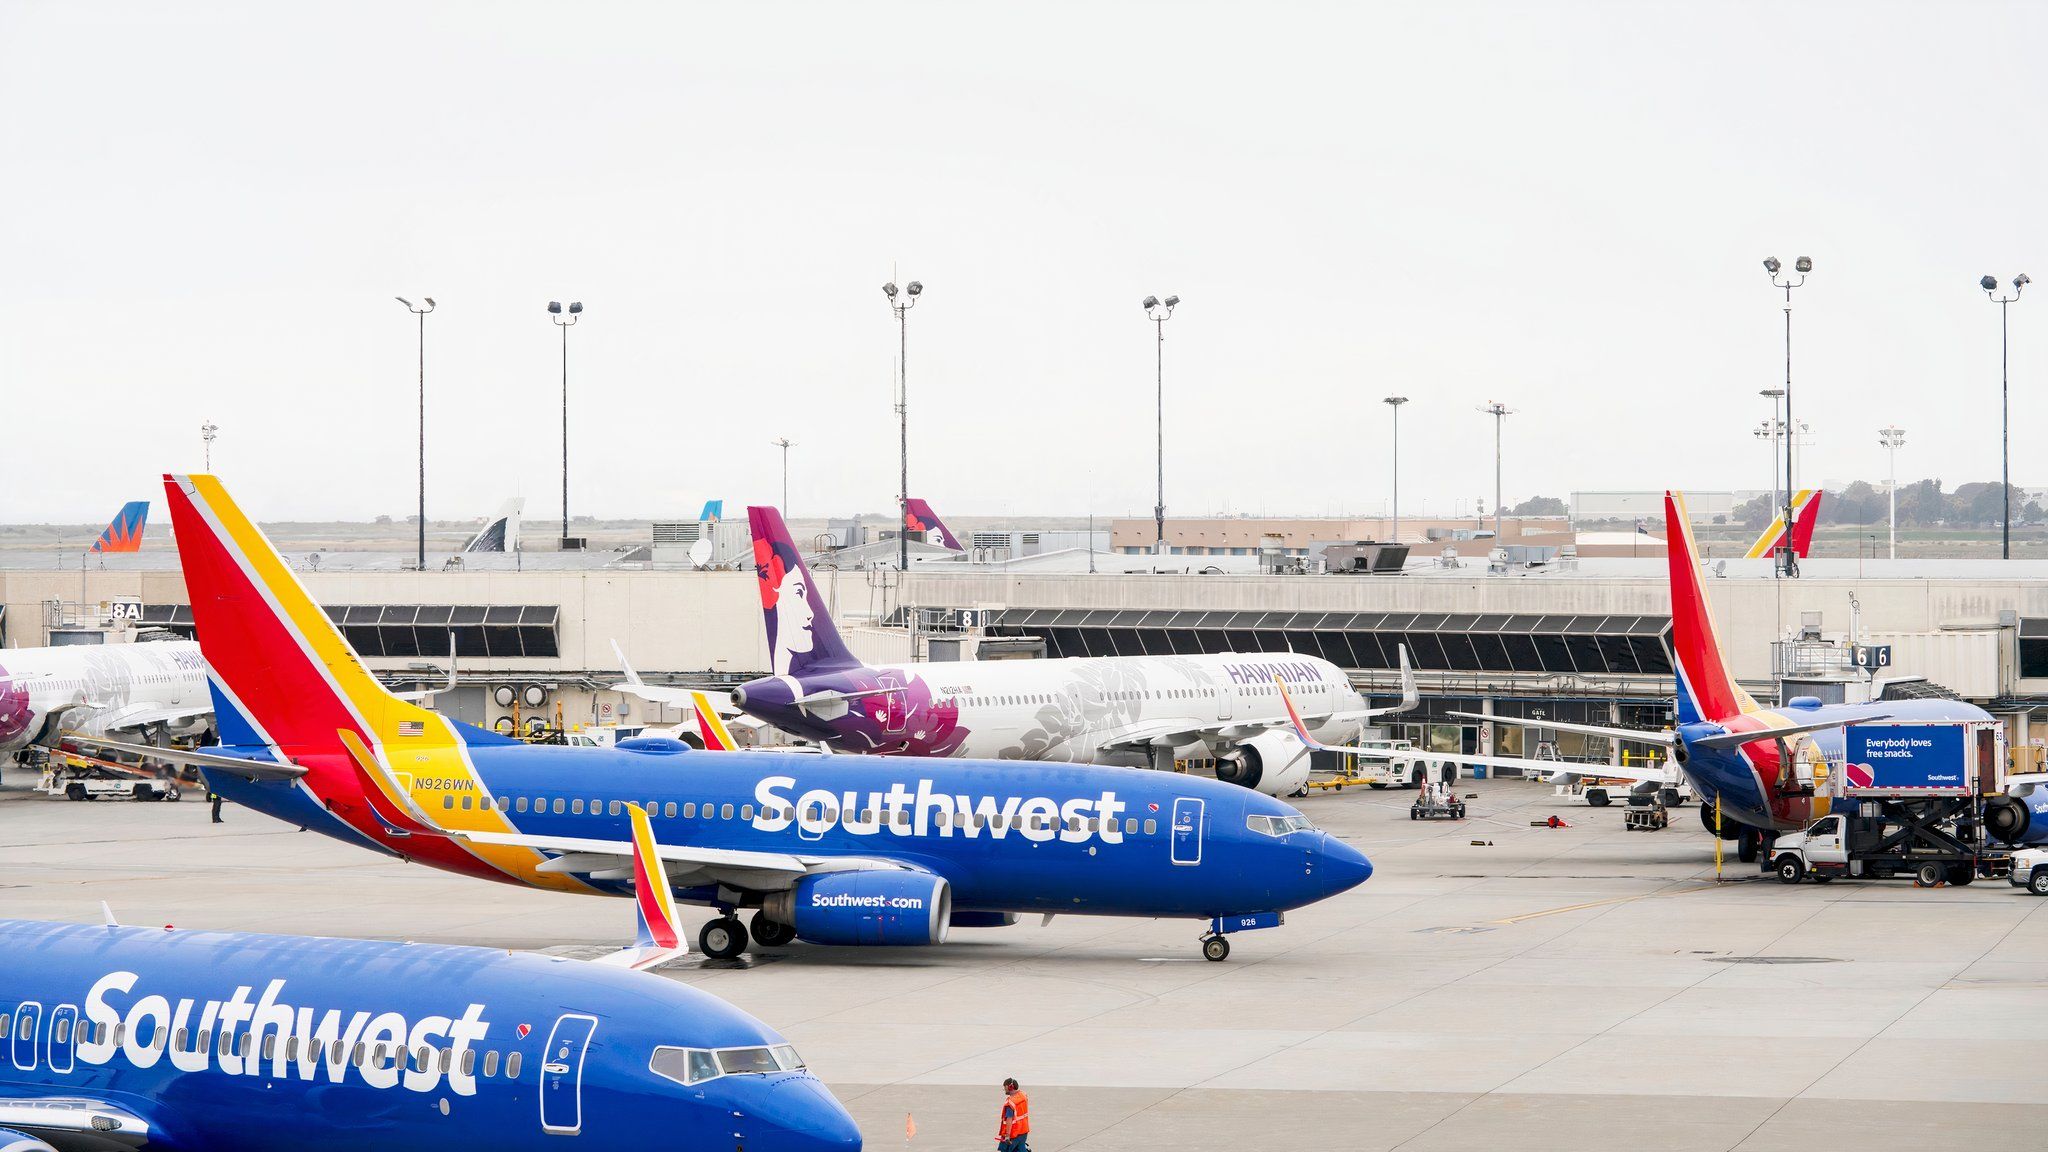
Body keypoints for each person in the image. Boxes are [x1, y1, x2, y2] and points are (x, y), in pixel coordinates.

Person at [996, 1077, 1029, 1152]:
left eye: (1005, 1087)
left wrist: (1007, 1136)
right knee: (1021, 1149)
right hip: (1024, 1130)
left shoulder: (1010, 1103)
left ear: (1010, 1087)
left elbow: (1009, 1119)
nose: (1004, 1089)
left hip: (1013, 1134)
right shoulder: (1023, 1095)